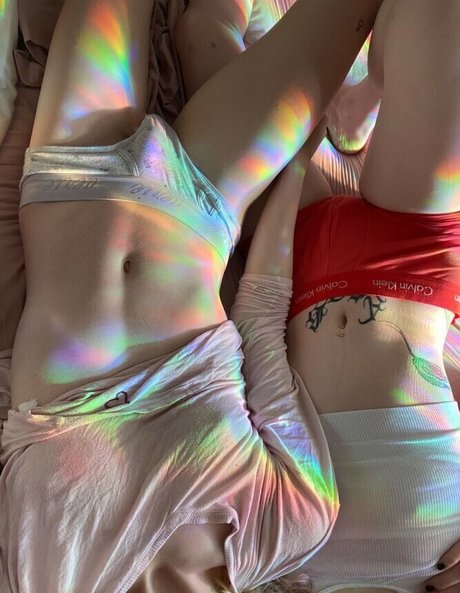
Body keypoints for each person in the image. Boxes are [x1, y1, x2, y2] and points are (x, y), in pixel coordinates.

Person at [0, 0, 386, 592]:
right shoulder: (291, 522)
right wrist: (296, 159)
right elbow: (260, 315)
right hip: (205, 199)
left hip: (70, 171)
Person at [230, 0, 460, 591]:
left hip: (295, 266)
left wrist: (293, 164)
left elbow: (258, 340)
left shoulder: (273, 570)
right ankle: (363, 102)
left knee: (208, 39)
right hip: (417, 259)